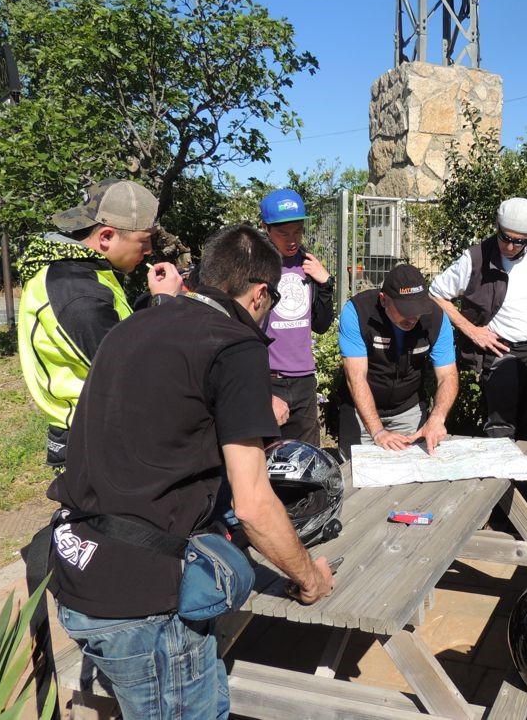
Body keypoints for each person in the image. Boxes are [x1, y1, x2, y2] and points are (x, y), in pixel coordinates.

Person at [47, 225, 335, 720]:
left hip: (76, 568)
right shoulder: (235, 344)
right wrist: (310, 579)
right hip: (145, 606)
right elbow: (253, 504)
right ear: (261, 293)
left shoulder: (134, 323)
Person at [17, 179, 182, 470]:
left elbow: (117, 332)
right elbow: (132, 371)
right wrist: (164, 304)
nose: (148, 250)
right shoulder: (78, 293)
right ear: (106, 236)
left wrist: (151, 300)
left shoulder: (80, 270)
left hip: (96, 426)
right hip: (93, 438)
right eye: (144, 240)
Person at [429, 198, 527, 465]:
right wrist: (472, 330)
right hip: (501, 349)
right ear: (497, 226)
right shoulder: (476, 258)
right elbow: (436, 294)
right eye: (505, 238)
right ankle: (501, 488)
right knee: (500, 428)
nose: (511, 246)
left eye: (519, 241)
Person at [338, 263, 458, 459]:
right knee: (355, 471)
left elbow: (448, 375)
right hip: (360, 410)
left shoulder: (435, 318)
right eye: (405, 309)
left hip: (408, 409)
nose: (413, 317)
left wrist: (437, 417)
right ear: (383, 300)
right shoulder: (357, 313)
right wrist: (378, 431)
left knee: (412, 470)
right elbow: (356, 377)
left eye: (418, 309)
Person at [260, 188, 336, 444]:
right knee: (266, 457)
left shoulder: (308, 265)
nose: (292, 240)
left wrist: (325, 285)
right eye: (283, 233)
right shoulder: (256, 268)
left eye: (298, 231)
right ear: (266, 229)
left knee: (306, 457)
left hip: (304, 380)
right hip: (268, 380)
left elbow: (321, 325)